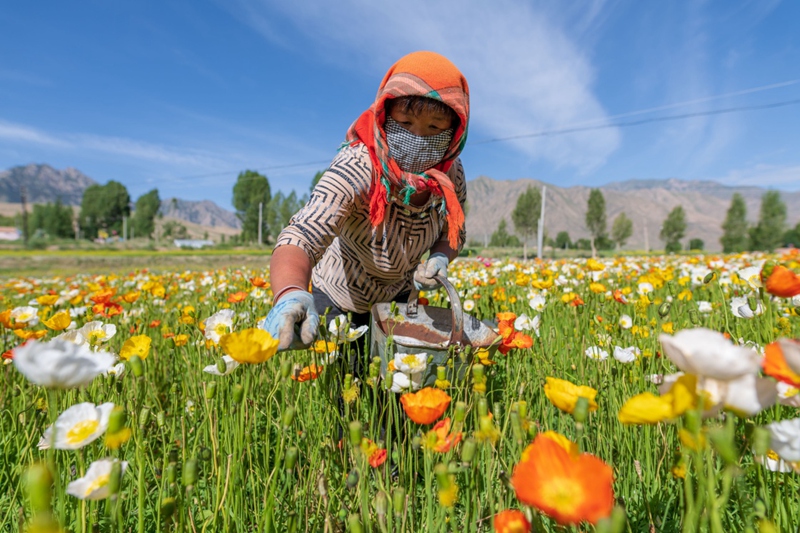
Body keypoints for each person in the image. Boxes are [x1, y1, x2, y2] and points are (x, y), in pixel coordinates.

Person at [262, 50, 469, 355]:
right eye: (405, 122)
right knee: (343, 381)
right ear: (385, 115)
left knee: (391, 380)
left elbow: (454, 232)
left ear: (455, 131)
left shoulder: (450, 176)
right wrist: (290, 292)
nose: (417, 138)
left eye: (435, 128)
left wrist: (439, 257)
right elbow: (303, 234)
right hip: (338, 297)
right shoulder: (358, 165)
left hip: (398, 300)